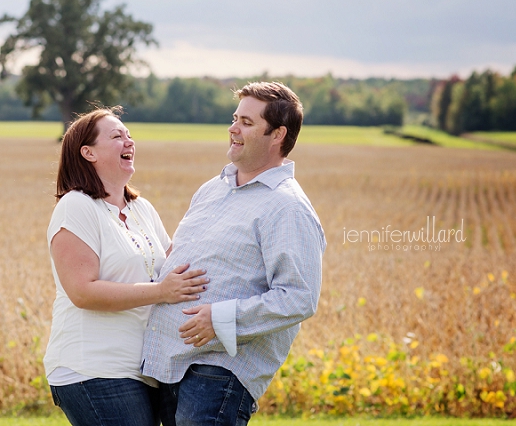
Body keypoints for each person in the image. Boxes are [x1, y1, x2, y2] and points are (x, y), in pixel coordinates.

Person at [141, 82, 326, 426]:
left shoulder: (287, 207)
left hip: (218, 371)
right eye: (234, 118)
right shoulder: (212, 189)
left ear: (277, 135)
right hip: (168, 362)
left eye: (247, 122)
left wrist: (219, 318)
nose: (233, 129)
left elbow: (300, 298)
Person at [44, 107, 210, 426]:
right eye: (117, 136)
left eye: (130, 135)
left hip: (145, 370)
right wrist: (161, 292)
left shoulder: (141, 209)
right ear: (88, 152)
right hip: (92, 368)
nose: (128, 141)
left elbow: (172, 265)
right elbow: (83, 292)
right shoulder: (76, 206)